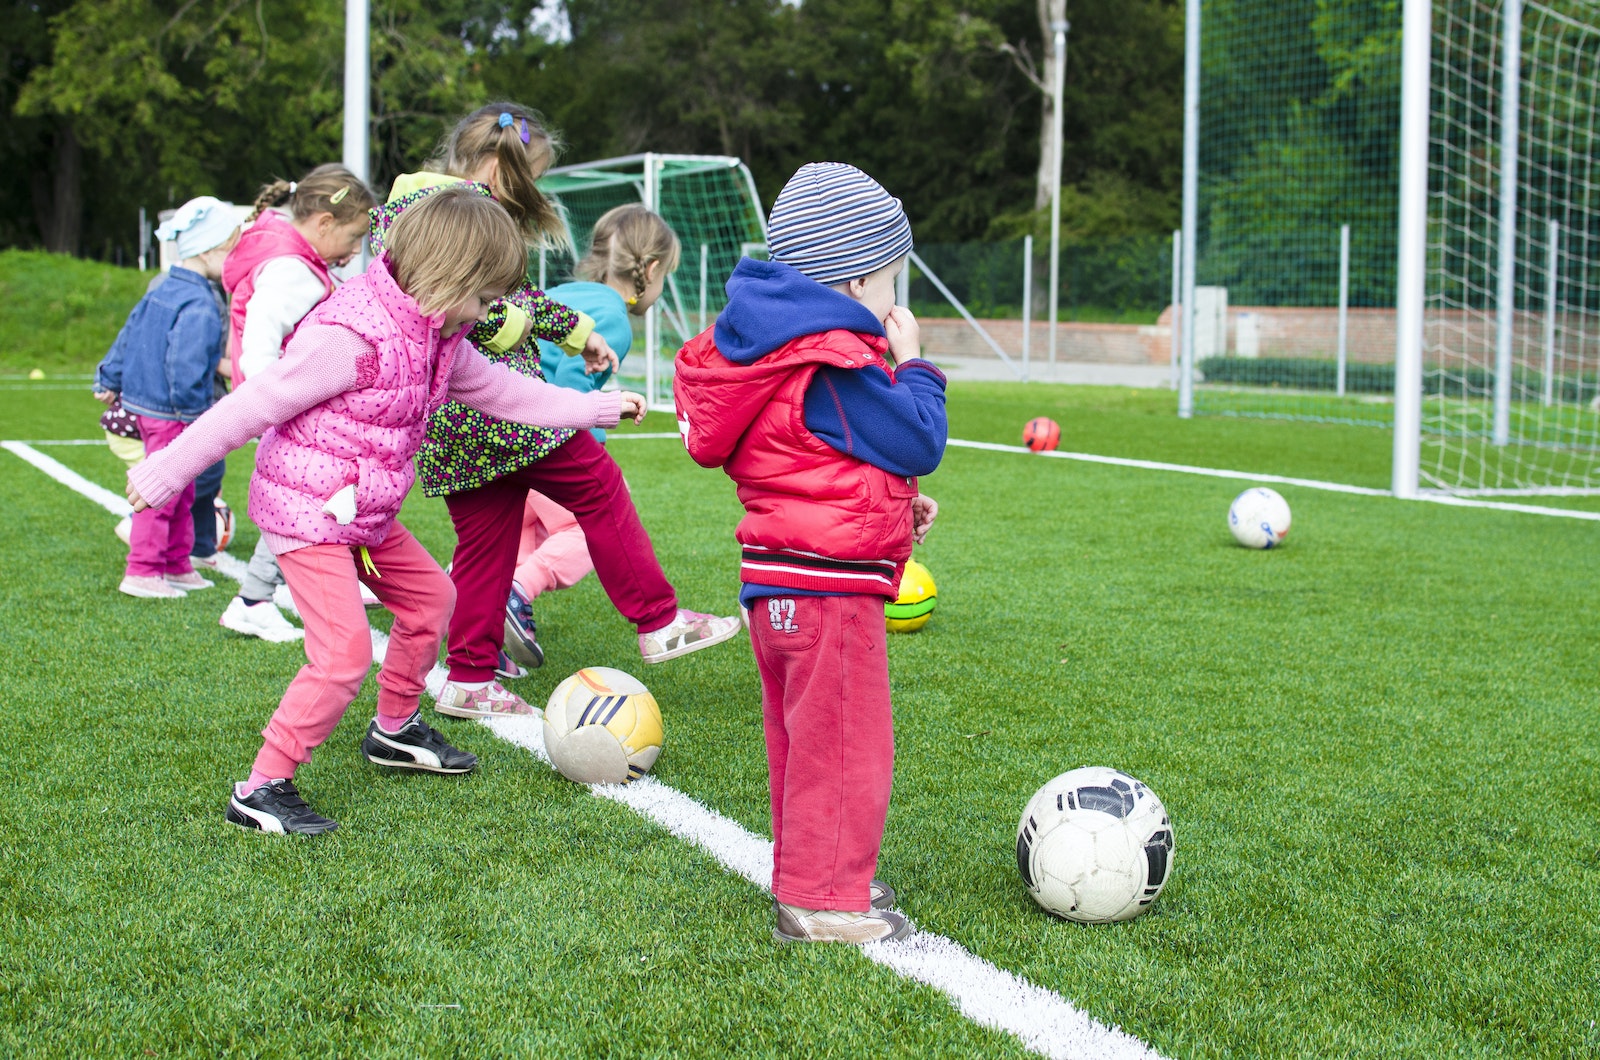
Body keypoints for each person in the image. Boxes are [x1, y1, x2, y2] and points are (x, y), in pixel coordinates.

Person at [124, 186, 647, 835]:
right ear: (449, 276)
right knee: (342, 654)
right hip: (307, 511)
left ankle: (395, 729)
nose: (490, 313)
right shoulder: (350, 335)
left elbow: (507, 393)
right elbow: (253, 404)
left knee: (434, 601)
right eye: (486, 299)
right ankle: (261, 787)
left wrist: (596, 407)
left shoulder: (440, 335)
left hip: (363, 513)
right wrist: (167, 470)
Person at [369, 102, 739, 721]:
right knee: (599, 486)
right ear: (494, 165)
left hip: (451, 423)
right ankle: (658, 620)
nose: (530, 194)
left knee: (487, 544)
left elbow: (512, 296)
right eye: (528, 178)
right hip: (501, 410)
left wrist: (577, 333)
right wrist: (529, 334)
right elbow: (477, 311)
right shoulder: (453, 213)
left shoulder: (413, 207)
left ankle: (468, 677)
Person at [674, 162, 948, 944]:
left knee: (804, 742)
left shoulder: (776, 350)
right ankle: (823, 900)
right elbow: (918, 435)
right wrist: (916, 363)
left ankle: (815, 871)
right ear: (857, 278)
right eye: (893, 280)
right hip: (827, 593)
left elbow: (815, 460)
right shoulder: (832, 359)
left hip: (782, 583)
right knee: (845, 744)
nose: (897, 300)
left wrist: (896, 508)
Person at [500, 204, 682, 672]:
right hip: (536, 437)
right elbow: (569, 388)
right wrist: (588, 458)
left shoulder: (563, 293)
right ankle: (517, 593)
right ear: (652, 269)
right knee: (584, 526)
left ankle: (479, 614)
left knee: (516, 531)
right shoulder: (614, 320)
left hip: (494, 433)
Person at [216, 163, 378, 644]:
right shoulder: (292, 271)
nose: (354, 253)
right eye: (353, 238)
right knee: (304, 502)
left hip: (288, 405)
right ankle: (253, 599)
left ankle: (267, 593)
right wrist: (275, 403)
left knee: (309, 499)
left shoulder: (292, 258)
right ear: (324, 224)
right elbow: (261, 345)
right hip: (289, 408)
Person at [95, 196, 240, 599]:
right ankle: (142, 570)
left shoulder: (164, 285)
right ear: (210, 250)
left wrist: (109, 375)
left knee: (184, 488)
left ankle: (176, 563)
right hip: (173, 412)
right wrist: (196, 416)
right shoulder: (200, 302)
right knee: (162, 490)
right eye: (232, 249)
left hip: (152, 405)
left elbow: (129, 331)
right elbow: (186, 363)